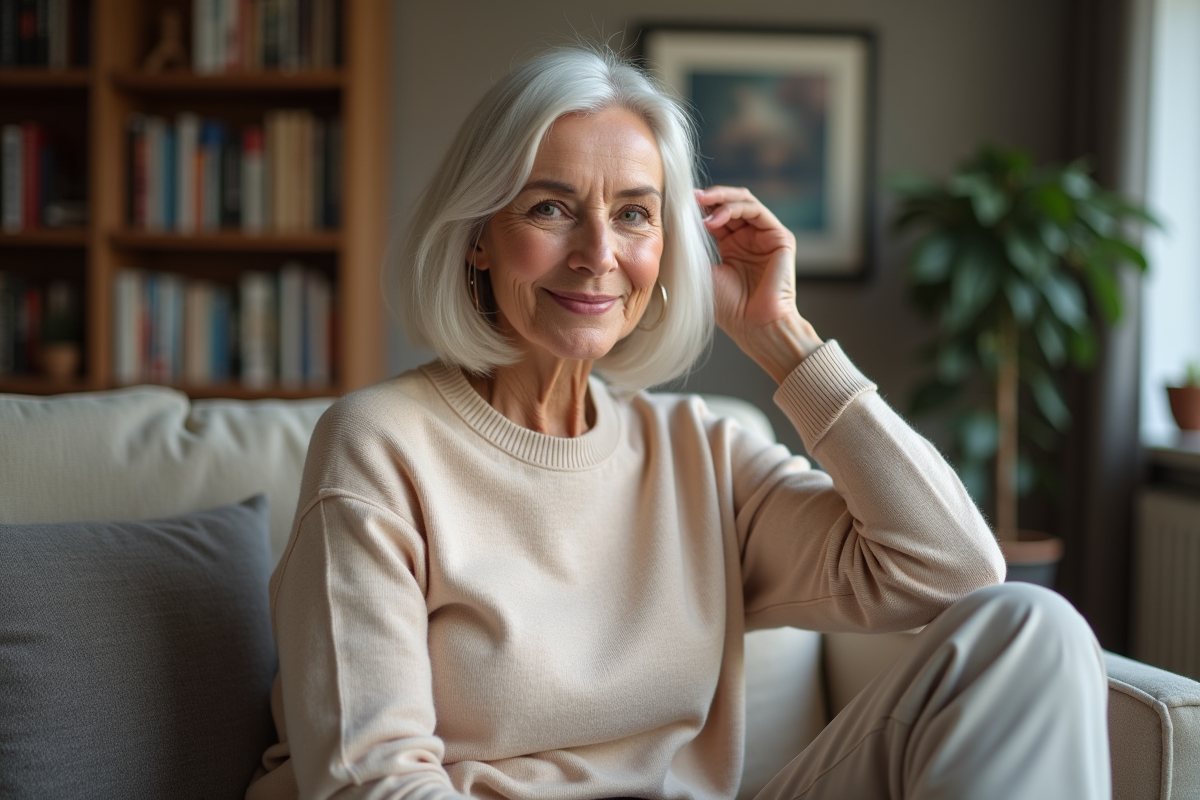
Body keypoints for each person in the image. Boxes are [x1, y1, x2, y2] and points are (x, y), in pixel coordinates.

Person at [246, 46, 1110, 800]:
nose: (598, 253)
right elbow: (370, 780)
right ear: (478, 233)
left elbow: (954, 569)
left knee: (1033, 631)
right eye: (549, 207)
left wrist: (785, 341)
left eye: (633, 213)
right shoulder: (381, 443)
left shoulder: (704, 451)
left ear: (666, 249)